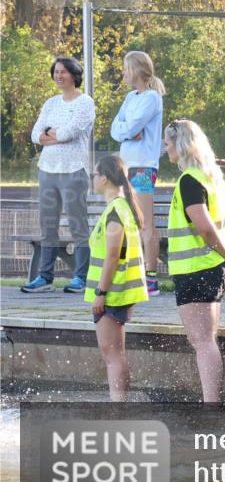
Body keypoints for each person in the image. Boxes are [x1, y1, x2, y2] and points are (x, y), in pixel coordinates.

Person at [163, 120, 225, 402]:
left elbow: (204, 225)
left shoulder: (189, 179)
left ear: (181, 144)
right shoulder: (209, 176)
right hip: (210, 266)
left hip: (197, 268)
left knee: (202, 341)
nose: (166, 149)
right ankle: (212, 403)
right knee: (204, 339)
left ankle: (212, 406)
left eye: (168, 143)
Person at [21, 57, 96, 294]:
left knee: (78, 226)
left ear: (74, 74)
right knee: (48, 225)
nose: (58, 75)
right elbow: (35, 135)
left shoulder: (85, 103)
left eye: (63, 71)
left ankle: (81, 277)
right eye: (56, 72)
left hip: (74, 171)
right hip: (47, 170)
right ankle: (45, 278)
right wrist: (52, 135)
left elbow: (71, 131)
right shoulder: (50, 103)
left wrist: (51, 135)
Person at [85, 155, 149, 401]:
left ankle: (118, 408)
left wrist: (100, 293)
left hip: (112, 292)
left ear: (103, 178)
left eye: (94, 174)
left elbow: (113, 256)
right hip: (117, 291)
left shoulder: (115, 212)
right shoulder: (122, 206)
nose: (92, 178)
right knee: (114, 354)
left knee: (112, 355)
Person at [110, 51, 165, 296]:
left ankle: (151, 277)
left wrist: (128, 130)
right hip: (125, 166)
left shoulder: (152, 98)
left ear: (136, 70)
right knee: (125, 222)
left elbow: (132, 126)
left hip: (143, 166)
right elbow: (117, 128)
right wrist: (127, 131)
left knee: (145, 223)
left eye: (125, 68)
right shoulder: (130, 98)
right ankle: (130, 272)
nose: (122, 72)